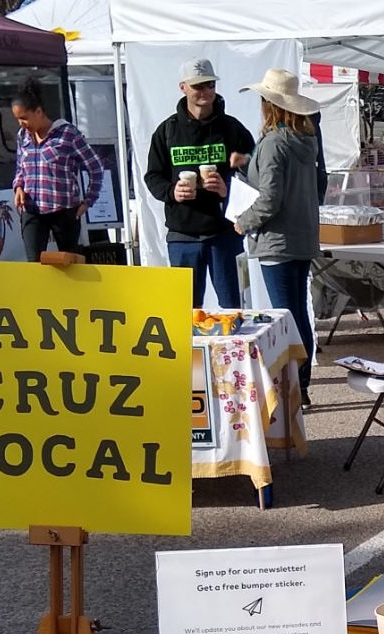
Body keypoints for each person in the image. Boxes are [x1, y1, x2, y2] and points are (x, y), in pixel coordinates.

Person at [233, 69, 320, 400]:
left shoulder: (273, 143)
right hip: (301, 237)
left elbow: (269, 198)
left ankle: (294, 388)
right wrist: (247, 164)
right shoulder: (305, 140)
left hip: (276, 240)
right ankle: (303, 383)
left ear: (269, 104)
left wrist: (245, 221)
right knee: (297, 314)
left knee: (285, 317)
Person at [144, 58, 254, 308]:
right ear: (183, 87)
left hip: (225, 233)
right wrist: (173, 192)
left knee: (234, 308)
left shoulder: (231, 128)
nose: (205, 91)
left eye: (210, 85)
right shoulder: (167, 130)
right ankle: (190, 349)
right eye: (198, 86)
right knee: (186, 312)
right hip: (182, 235)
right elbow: (152, 176)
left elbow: (258, 172)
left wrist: (228, 190)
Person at [10, 80, 102, 259]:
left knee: (68, 263)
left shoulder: (67, 134)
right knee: (34, 263)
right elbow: (21, 167)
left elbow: (96, 168)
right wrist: (18, 187)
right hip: (32, 210)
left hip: (64, 212)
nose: (21, 123)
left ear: (38, 111)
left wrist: (88, 201)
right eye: (18, 119)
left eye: (24, 117)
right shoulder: (23, 137)